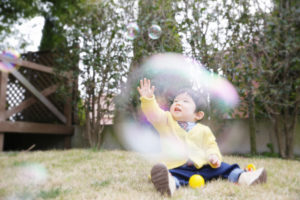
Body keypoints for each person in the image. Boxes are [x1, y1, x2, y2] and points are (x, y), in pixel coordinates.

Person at [137, 78, 267, 196]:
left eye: (185, 101)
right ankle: (168, 183)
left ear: (198, 115)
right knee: (172, 174)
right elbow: (153, 113)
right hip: (178, 167)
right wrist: (148, 100)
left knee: (225, 167)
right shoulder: (166, 121)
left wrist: (214, 156)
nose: (178, 103)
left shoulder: (204, 130)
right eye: (175, 101)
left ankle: (245, 177)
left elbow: (211, 146)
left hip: (204, 166)